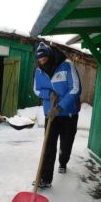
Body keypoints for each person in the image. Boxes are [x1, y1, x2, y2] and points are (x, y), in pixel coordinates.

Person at [33, 42, 81, 188]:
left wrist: (60, 107)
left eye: (44, 60)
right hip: (51, 115)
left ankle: (63, 161)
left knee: (65, 145)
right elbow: (36, 89)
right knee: (48, 146)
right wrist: (48, 93)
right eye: (39, 61)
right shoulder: (39, 71)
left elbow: (75, 89)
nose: (42, 63)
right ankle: (45, 178)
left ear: (50, 56)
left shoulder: (66, 66)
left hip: (68, 114)